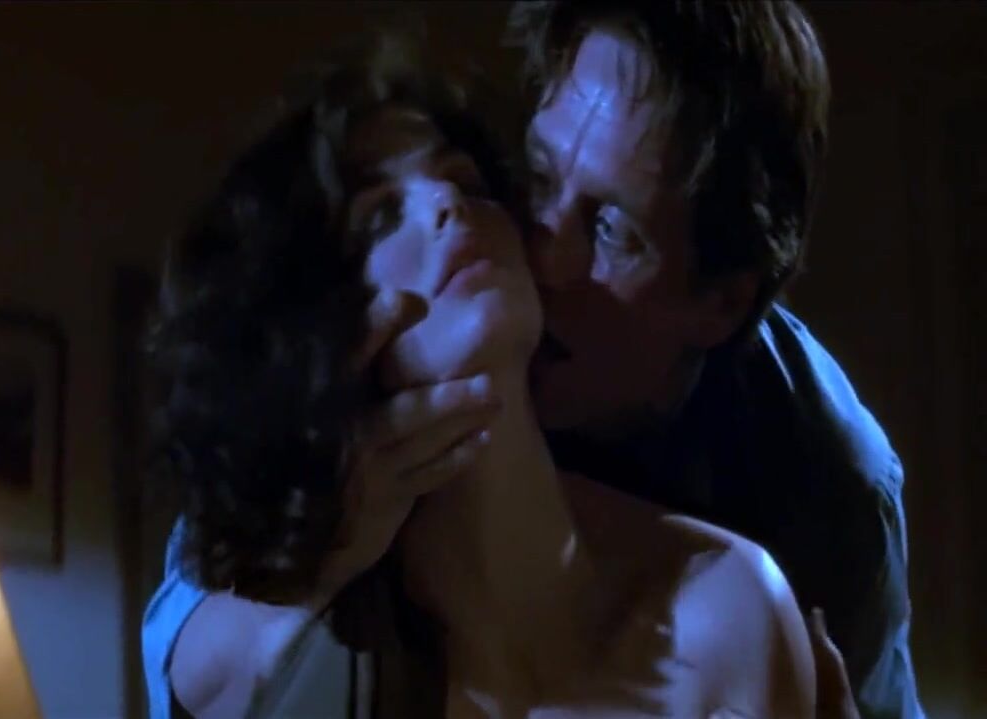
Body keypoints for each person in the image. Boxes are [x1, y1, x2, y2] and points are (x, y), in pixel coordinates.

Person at [145, 1, 923, 717]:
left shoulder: (824, 481)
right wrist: (322, 547)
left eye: (612, 229)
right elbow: (205, 621)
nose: (545, 253)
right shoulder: (363, 446)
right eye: (539, 177)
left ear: (718, 302)